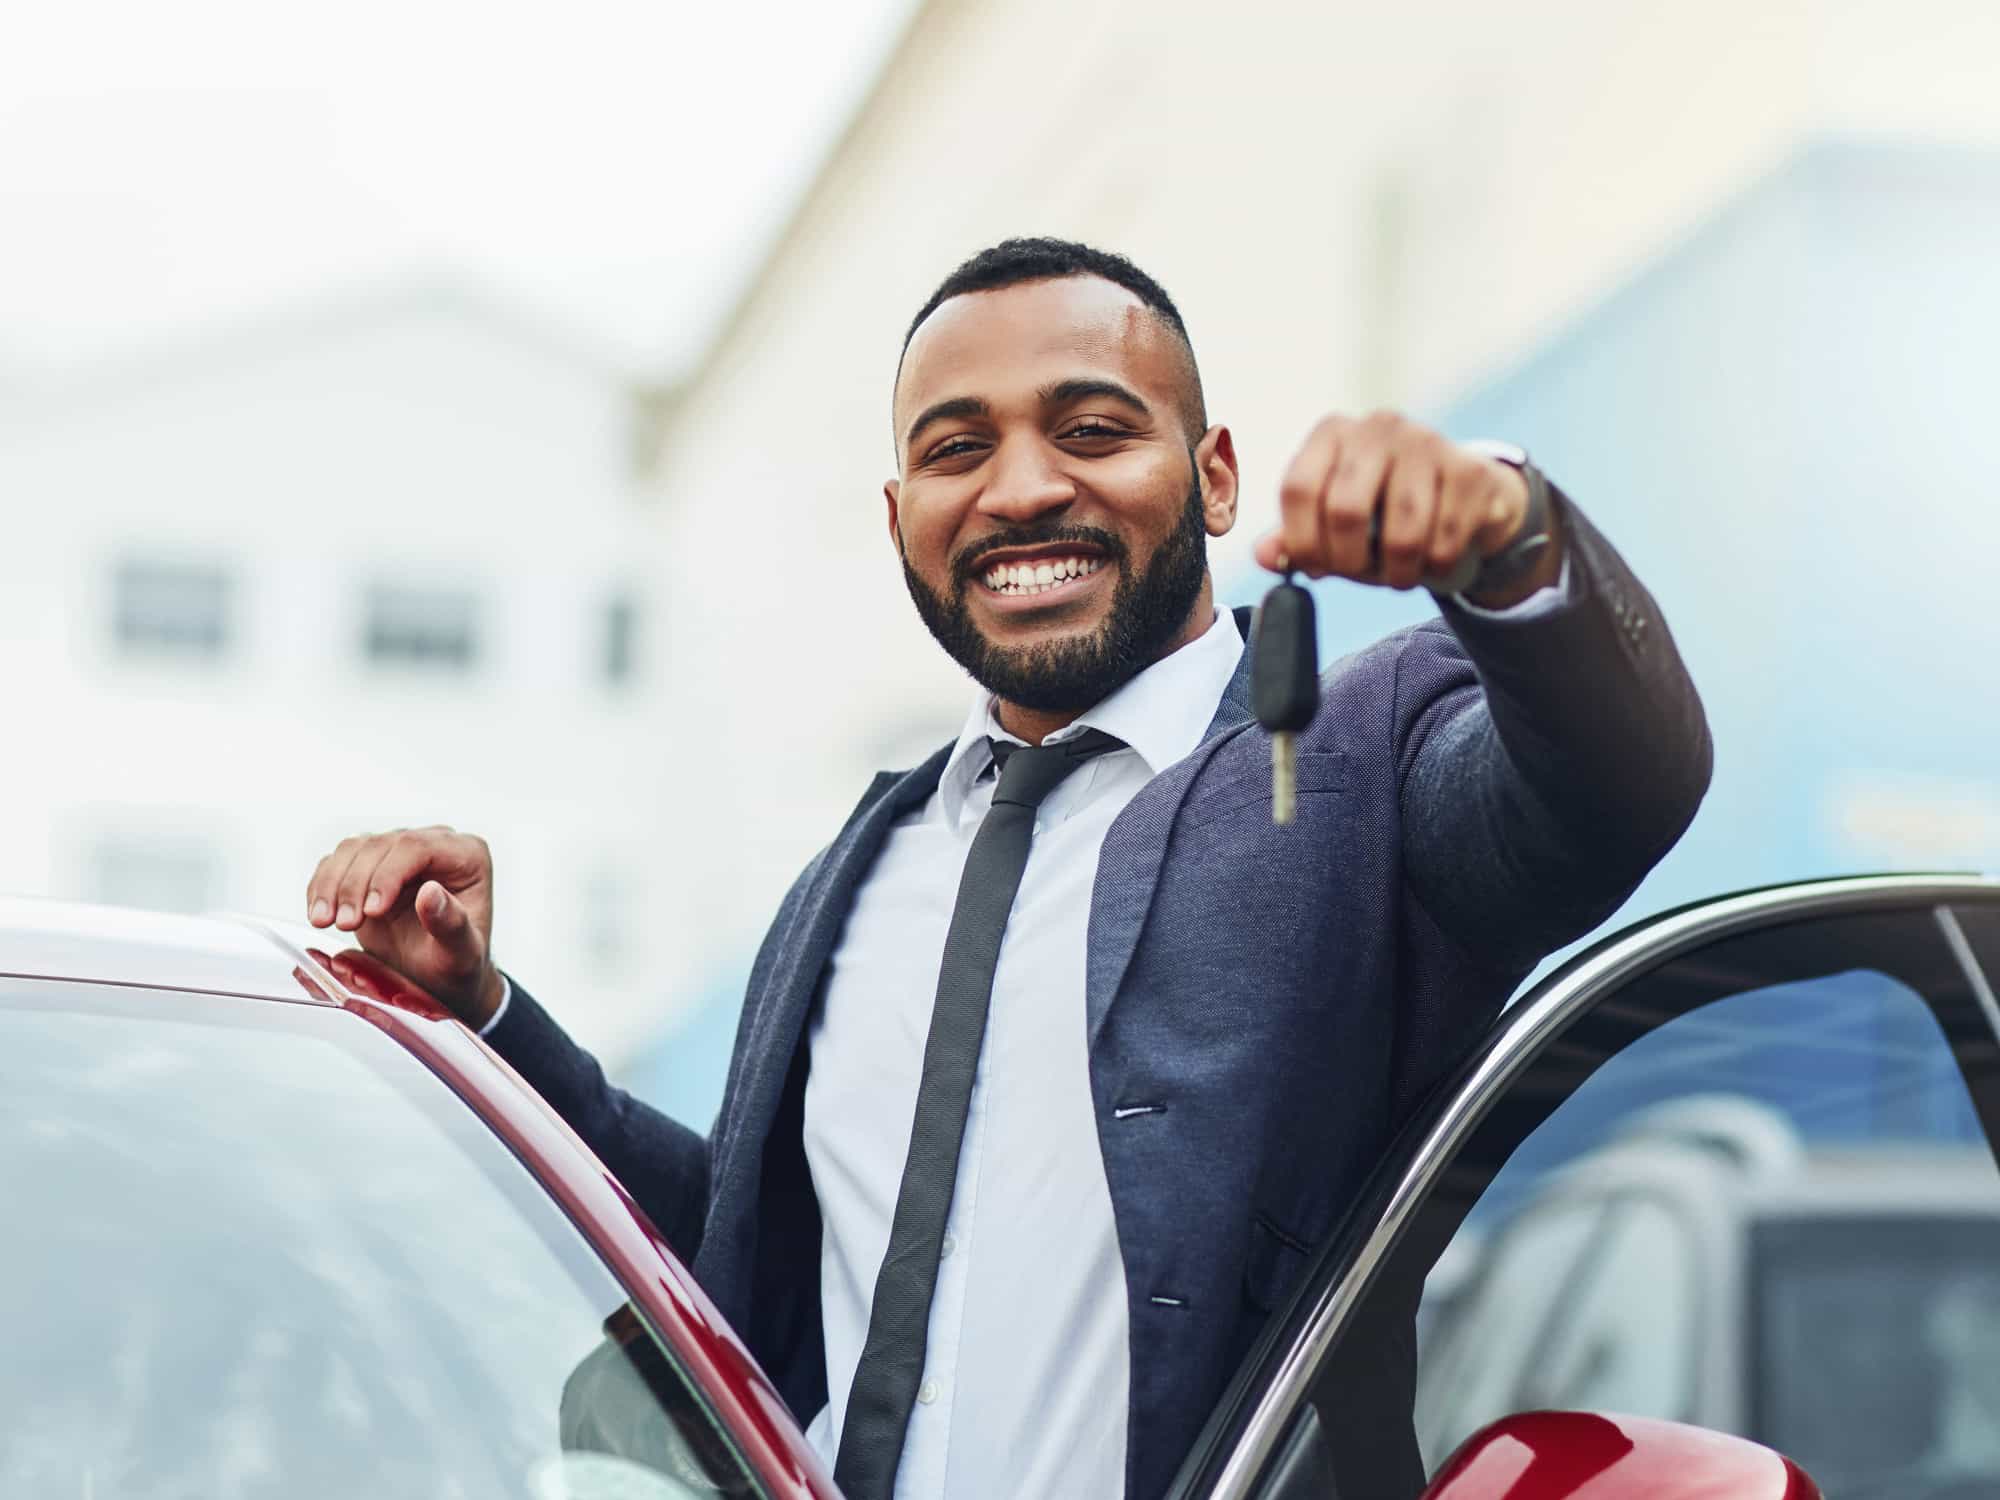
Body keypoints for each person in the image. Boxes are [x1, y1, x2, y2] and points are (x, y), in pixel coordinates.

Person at [306, 238, 1711, 1500]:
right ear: (903, 508)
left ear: (1213, 478)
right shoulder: (863, 867)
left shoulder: (1355, 765)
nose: (1024, 489)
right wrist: (487, 1012)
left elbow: (1615, 784)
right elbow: (738, 1259)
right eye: (956, 448)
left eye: (1094, 429)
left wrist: (1513, 541)